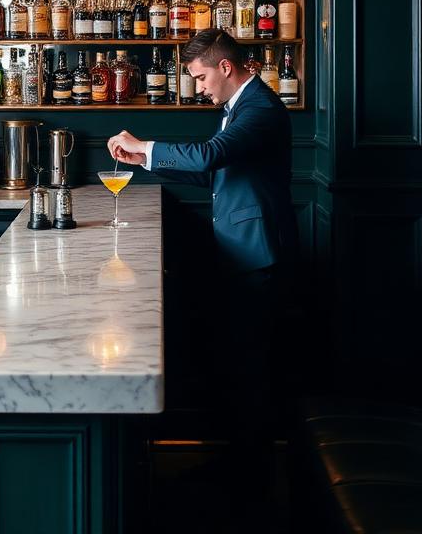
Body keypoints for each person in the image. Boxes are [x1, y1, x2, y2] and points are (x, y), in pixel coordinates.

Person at [107, 28, 293, 522]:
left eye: (201, 76)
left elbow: (210, 156)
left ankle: (251, 485)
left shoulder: (262, 109)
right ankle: (235, 467)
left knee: (251, 371)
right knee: (235, 367)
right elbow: (215, 171)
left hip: (257, 256)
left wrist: (145, 145)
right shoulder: (241, 106)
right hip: (240, 252)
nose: (199, 87)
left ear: (225, 67)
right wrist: (144, 161)